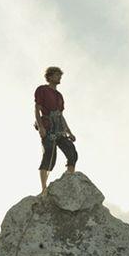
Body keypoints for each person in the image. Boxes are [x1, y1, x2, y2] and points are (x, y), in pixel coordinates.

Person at [34, 66, 78, 195]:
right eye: (57, 75)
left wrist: (69, 132)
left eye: (60, 75)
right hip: (47, 126)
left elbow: (60, 115)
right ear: (50, 76)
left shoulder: (59, 96)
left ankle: (70, 180)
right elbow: (37, 108)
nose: (59, 77)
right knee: (49, 156)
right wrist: (41, 127)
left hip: (59, 128)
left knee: (72, 152)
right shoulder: (42, 90)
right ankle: (44, 188)